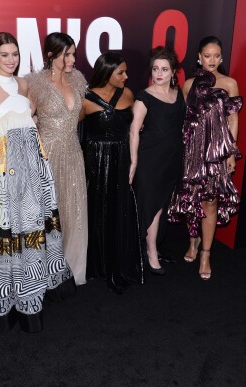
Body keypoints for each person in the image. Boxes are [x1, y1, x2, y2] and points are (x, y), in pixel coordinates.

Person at [0, 32, 73, 332]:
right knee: (4, 232)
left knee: (32, 228)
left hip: (33, 169)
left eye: (14, 54)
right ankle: (4, 303)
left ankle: (31, 298)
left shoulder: (25, 85)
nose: (10, 60)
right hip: (1, 173)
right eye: (4, 54)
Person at [168, 36, 242, 280]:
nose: (212, 60)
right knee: (191, 197)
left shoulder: (230, 83)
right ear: (199, 57)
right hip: (192, 151)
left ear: (222, 57)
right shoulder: (188, 85)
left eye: (216, 55)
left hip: (216, 153)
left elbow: (233, 120)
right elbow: (183, 120)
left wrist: (230, 152)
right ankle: (193, 240)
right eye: (207, 55)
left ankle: (206, 254)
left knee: (210, 201)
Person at [25, 32, 88, 286]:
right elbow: (26, 119)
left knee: (74, 211)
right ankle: (47, 272)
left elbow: (79, 114)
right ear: (51, 55)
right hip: (46, 155)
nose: (73, 59)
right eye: (67, 54)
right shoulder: (36, 84)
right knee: (49, 214)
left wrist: (63, 127)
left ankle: (72, 267)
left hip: (73, 152)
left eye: (74, 53)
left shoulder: (78, 80)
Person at [82, 52, 144, 292]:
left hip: (121, 159)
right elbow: (76, 132)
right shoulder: (85, 98)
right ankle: (96, 265)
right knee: (96, 211)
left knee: (120, 210)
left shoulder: (127, 94)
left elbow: (133, 130)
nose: (126, 76)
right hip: (95, 162)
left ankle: (118, 263)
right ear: (107, 72)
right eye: (121, 72)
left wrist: (133, 160)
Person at [129, 46, 185, 276]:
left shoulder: (178, 94)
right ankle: (149, 252)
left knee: (160, 208)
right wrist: (133, 162)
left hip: (171, 160)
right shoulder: (144, 97)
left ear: (173, 72)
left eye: (164, 69)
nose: (159, 73)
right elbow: (133, 131)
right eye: (155, 69)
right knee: (149, 207)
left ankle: (151, 247)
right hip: (150, 161)